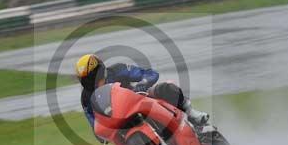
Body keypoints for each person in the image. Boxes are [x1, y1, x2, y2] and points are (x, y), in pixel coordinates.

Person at [75, 54, 209, 132]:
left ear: (101, 69)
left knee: (165, 87)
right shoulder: (86, 98)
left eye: (92, 76)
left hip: (140, 99)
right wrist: (101, 133)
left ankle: (192, 114)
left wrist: (142, 84)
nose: (91, 81)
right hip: (120, 121)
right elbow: (93, 122)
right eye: (86, 79)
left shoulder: (117, 70)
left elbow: (150, 74)